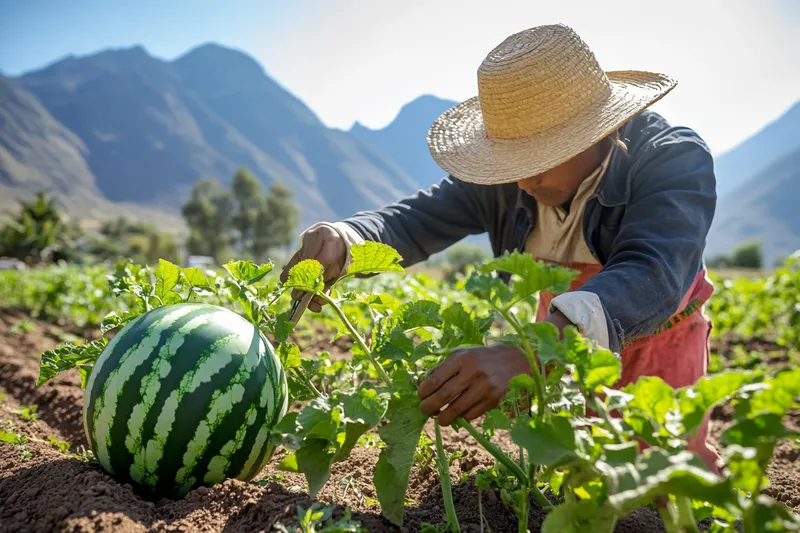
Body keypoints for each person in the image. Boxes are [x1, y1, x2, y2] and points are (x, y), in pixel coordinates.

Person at [280, 24, 720, 471]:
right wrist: (347, 238)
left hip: (654, 338)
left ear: (595, 131)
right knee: (571, 474)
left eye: (541, 157)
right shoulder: (506, 183)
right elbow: (417, 220)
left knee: (668, 478)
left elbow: (654, 270)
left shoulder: (671, 159)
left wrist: (529, 351)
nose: (524, 180)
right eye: (513, 162)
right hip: (555, 338)